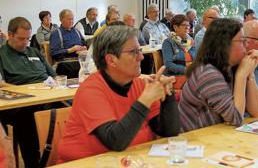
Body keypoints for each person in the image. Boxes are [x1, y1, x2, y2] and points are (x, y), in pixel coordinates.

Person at [57, 25, 180, 163]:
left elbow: (169, 131)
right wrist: (145, 99)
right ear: (111, 60)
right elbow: (116, 141)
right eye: (133, 52)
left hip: (131, 161)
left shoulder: (139, 85)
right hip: (84, 163)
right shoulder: (91, 89)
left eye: (139, 50)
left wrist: (167, 94)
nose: (141, 57)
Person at [179, 18, 258, 132]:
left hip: (215, 136)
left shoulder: (232, 67)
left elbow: (256, 111)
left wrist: (250, 73)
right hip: (193, 142)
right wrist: (241, 76)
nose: (247, 46)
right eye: (242, 41)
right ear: (225, 45)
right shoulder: (207, 73)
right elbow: (236, 118)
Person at [0, 17, 57, 167]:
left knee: (71, 107)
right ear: (10, 35)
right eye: (21, 39)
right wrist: (20, 90)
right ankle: (34, 163)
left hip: (46, 96)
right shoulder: (2, 54)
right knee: (28, 118)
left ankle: (59, 158)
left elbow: (54, 76)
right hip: (20, 103)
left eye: (27, 38)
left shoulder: (34, 51)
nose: (25, 42)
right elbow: (1, 84)